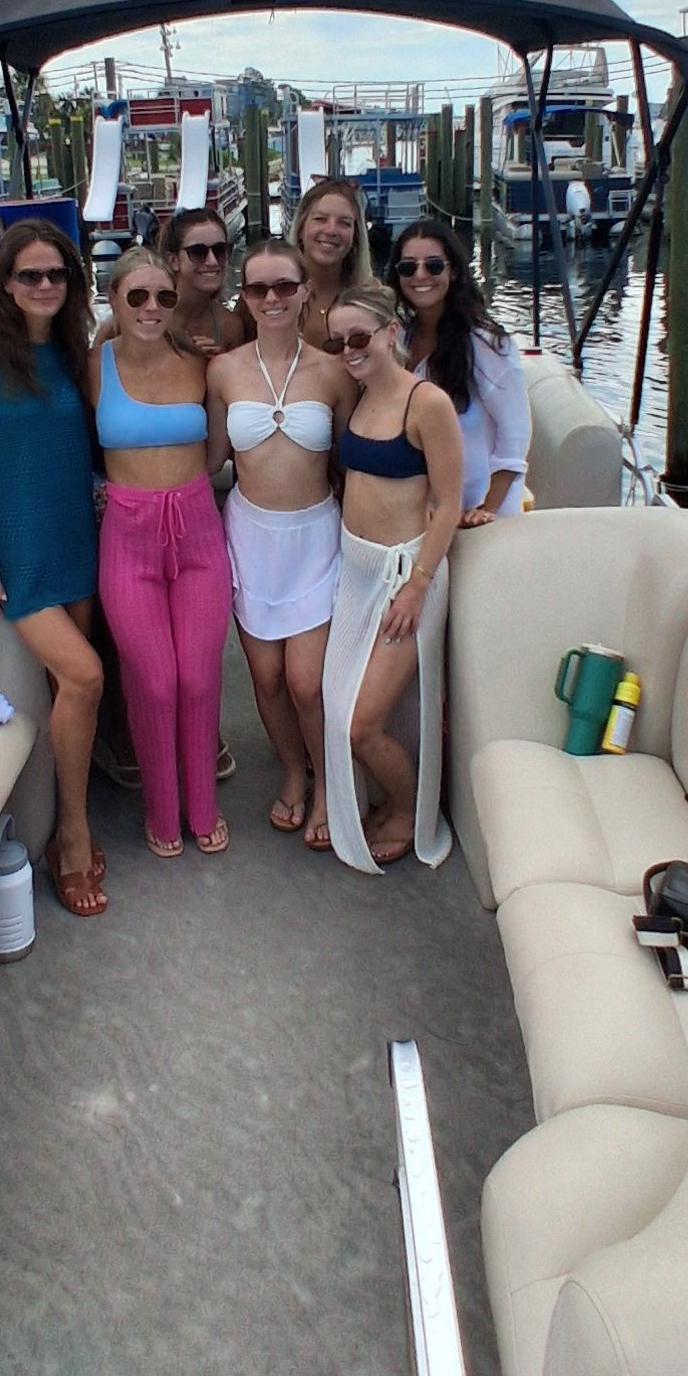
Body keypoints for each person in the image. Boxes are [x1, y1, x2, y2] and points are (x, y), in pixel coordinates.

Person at [0, 222, 106, 917]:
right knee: (85, 676)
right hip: (16, 555)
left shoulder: (73, 352)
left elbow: (93, 443)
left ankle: (77, 802)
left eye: (56, 276)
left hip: (76, 542)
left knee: (85, 684)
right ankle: (72, 834)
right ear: (4, 283)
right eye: (30, 276)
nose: (43, 287)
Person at [207, 239, 356, 851]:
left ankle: (327, 788)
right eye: (259, 287)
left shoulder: (335, 371)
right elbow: (211, 458)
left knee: (305, 681)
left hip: (315, 537)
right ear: (244, 294)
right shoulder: (222, 369)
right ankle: (294, 772)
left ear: (304, 293)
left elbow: (353, 460)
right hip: (249, 535)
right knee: (265, 677)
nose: (271, 298)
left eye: (284, 287)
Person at [91, 249, 232, 859]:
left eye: (163, 296)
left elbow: (219, 451)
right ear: (115, 300)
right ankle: (162, 810)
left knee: (199, 677)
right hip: (127, 533)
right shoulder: (92, 364)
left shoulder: (204, 365)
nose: (151, 307)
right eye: (137, 296)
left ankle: (203, 807)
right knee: (153, 679)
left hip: (198, 528)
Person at [323, 283, 463, 874]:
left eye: (360, 337)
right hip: (354, 570)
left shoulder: (425, 403)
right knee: (338, 702)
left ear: (390, 332)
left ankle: (408, 810)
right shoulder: (355, 396)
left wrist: (419, 584)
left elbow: (450, 502)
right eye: (338, 341)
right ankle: (385, 799)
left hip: (404, 574)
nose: (350, 350)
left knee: (361, 722)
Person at [388, 220, 531, 522]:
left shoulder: (487, 344)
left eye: (434, 266)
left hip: (476, 514)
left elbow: (514, 435)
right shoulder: (399, 339)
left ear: (453, 271)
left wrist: (487, 508)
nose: (421, 275)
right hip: (421, 513)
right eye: (408, 267)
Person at [275, 178, 374, 353]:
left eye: (344, 223)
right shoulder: (267, 292)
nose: (331, 230)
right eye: (320, 219)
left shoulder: (370, 298)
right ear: (300, 228)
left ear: (355, 236)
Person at [159, 208, 246, 357]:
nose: (212, 261)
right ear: (173, 261)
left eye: (220, 250)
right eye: (197, 252)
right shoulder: (143, 315)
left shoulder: (230, 327)